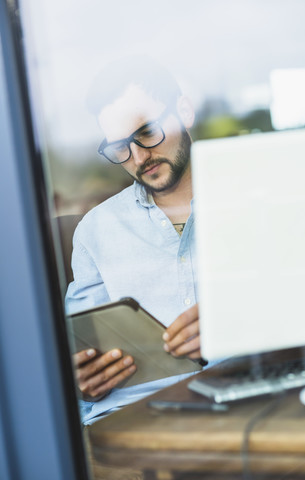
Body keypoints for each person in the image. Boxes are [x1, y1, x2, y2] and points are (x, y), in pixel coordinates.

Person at [65, 56, 209, 424]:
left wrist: (242, 326)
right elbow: (78, 344)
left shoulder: (259, 198)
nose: (139, 157)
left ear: (184, 111)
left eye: (146, 132)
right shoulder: (96, 230)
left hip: (245, 400)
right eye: (119, 148)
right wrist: (78, 379)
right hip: (134, 421)